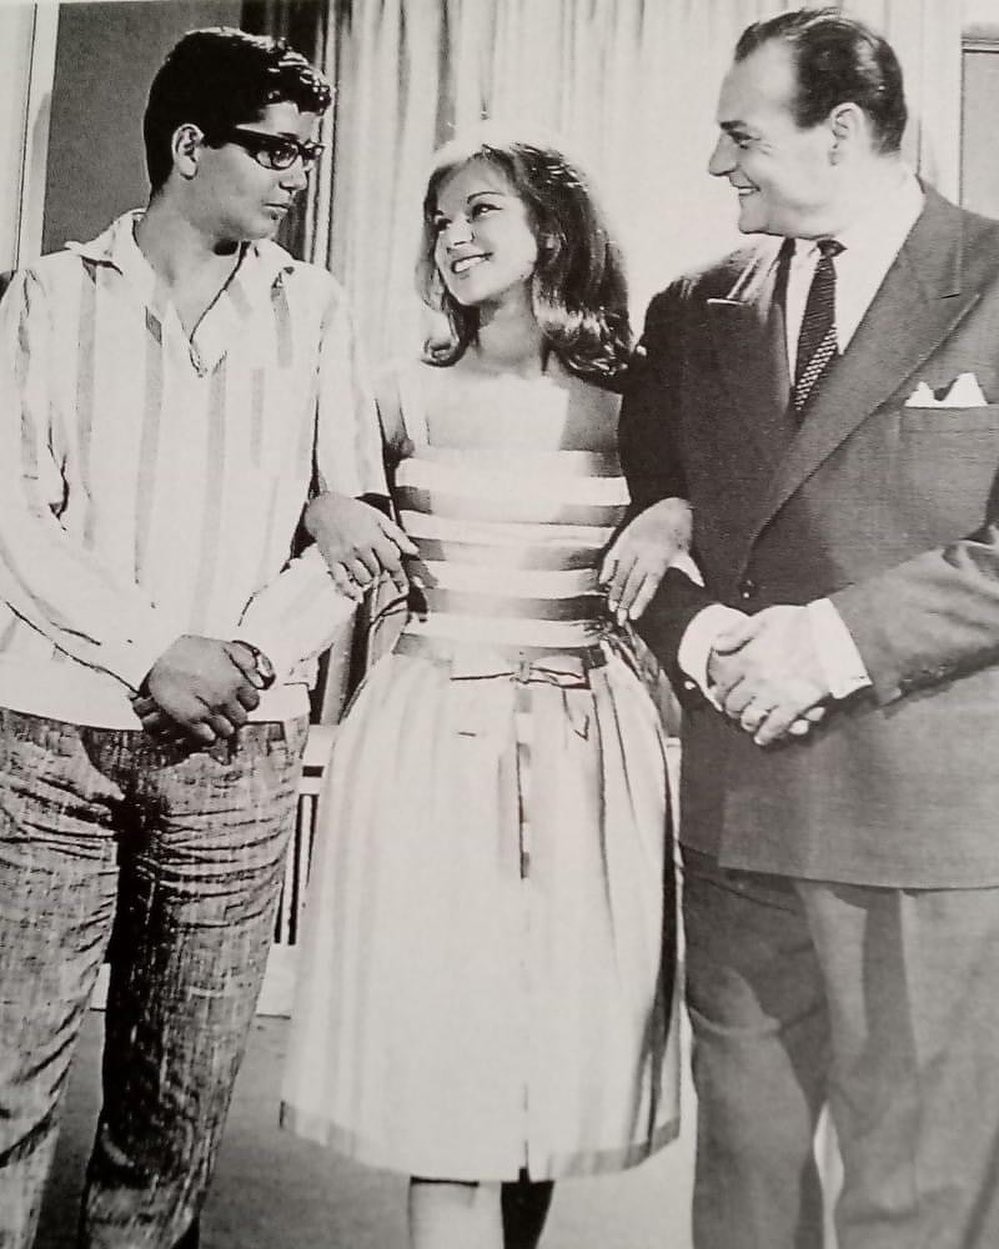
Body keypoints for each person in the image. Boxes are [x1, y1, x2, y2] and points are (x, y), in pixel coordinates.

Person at [0, 27, 409, 1249]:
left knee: (174, 1110)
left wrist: (240, 659)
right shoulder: (48, 296)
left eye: (308, 156)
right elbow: (11, 518)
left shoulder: (317, 310)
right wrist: (150, 653)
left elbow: (355, 527)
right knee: (6, 1082)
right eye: (276, 151)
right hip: (48, 737)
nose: (299, 178)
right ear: (189, 146)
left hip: (240, 743)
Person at [621, 7, 999, 1248]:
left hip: (926, 833)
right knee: (744, 1193)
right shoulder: (692, 310)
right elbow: (642, 526)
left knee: (915, 1200)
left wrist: (830, 643)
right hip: (739, 819)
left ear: (841, 132)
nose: (715, 164)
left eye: (741, 136)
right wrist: (698, 639)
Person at [281, 132, 684, 1249]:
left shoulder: (634, 404)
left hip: (584, 744)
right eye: (440, 219)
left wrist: (674, 509)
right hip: (433, 743)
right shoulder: (395, 395)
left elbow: (721, 507)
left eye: (479, 211)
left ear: (550, 231)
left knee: (540, 1073)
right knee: (448, 1074)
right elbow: (294, 499)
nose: (453, 236)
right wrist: (321, 503)